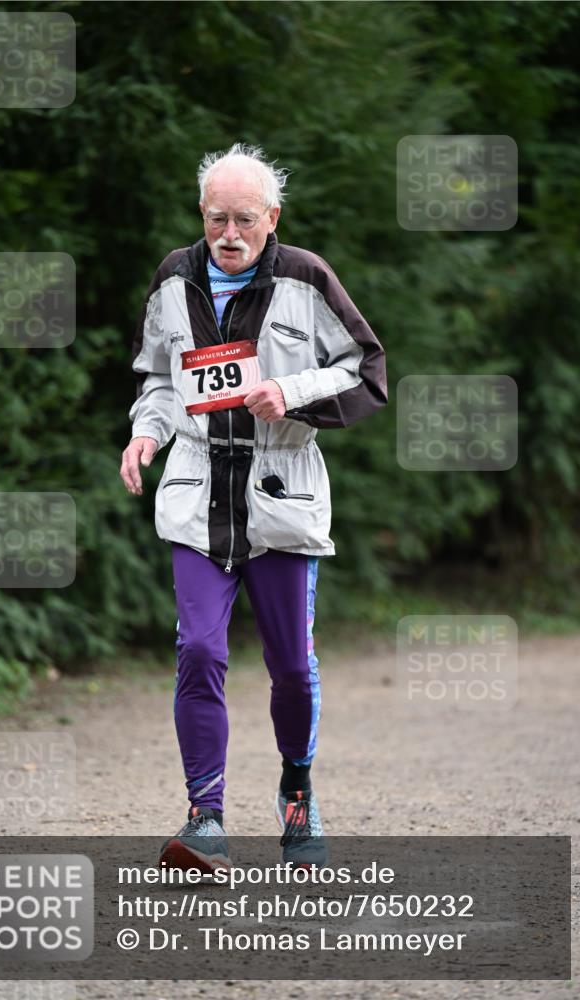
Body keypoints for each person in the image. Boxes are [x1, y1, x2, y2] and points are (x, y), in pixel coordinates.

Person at [120, 143, 387, 872]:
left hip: (281, 493)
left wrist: (289, 391)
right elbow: (157, 378)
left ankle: (296, 795)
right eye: (215, 220)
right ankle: (203, 816)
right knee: (199, 649)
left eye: (243, 219)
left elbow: (365, 367)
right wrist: (145, 437)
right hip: (197, 492)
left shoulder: (306, 276)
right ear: (200, 218)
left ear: (272, 218)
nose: (228, 234)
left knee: (292, 668)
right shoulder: (173, 279)